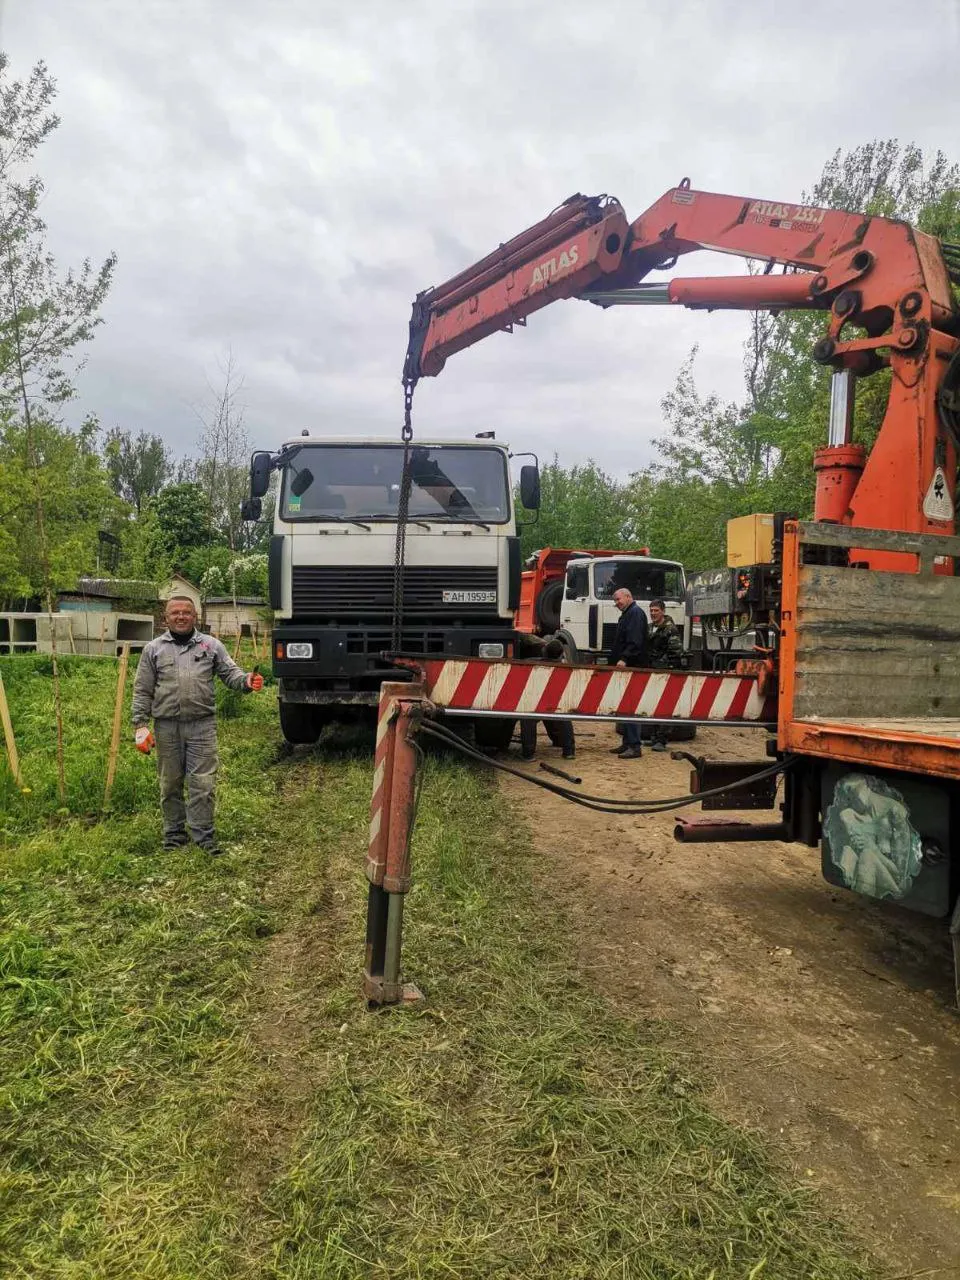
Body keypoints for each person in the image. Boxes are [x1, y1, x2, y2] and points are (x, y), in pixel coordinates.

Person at [131, 596, 264, 855]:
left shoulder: (211, 645)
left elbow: (231, 674)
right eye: (175, 613)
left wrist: (247, 681)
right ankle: (174, 835)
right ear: (165, 617)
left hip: (202, 727)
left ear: (196, 616)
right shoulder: (153, 649)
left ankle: (204, 837)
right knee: (170, 783)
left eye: (186, 612)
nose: (181, 617)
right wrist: (140, 724)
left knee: (203, 784)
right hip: (166, 727)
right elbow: (142, 689)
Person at [520, 638, 575, 761]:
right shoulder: (564, 667)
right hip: (555, 702)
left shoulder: (531, 663)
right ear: (561, 655)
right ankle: (569, 751)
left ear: (543, 652)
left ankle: (528, 754)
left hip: (535, 702)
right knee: (565, 718)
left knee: (527, 719)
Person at [608, 587, 648, 760]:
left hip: (632, 666)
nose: (616, 603)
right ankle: (627, 742)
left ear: (628, 596)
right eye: (615, 600)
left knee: (630, 706)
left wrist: (624, 658)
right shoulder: (627, 614)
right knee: (624, 705)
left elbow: (635, 640)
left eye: (618, 599)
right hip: (626, 666)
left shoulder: (635, 614)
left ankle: (634, 745)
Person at [647, 598, 684, 752]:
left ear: (663, 611)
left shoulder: (670, 629)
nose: (653, 613)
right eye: (651, 611)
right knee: (652, 705)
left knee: (666, 706)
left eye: (656, 611)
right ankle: (654, 737)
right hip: (651, 671)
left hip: (666, 672)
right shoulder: (649, 628)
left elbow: (676, 652)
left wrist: (665, 666)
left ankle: (662, 739)